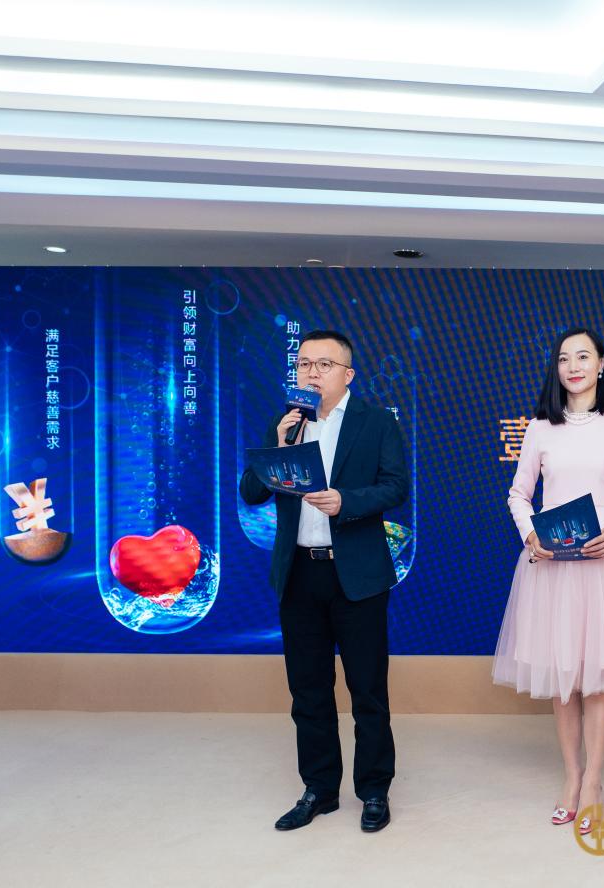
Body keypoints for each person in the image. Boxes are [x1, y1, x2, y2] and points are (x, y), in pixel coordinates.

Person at [239, 329, 410, 833]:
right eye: (304, 364)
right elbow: (251, 492)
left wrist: (346, 502)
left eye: (324, 365)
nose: (311, 373)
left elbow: (396, 486)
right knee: (308, 690)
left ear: (347, 374)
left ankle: (374, 790)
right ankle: (319, 788)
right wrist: (278, 445)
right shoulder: (288, 423)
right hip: (299, 573)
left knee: (367, 690)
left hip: (357, 574)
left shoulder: (376, 421)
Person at [492, 326, 604, 835]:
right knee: (563, 681)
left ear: (602, 364)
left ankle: (594, 783)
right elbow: (519, 494)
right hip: (552, 567)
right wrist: (529, 535)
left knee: (598, 681)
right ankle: (571, 777)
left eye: (583, 357)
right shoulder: (540, 427)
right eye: (564, 358)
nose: (573, 367)